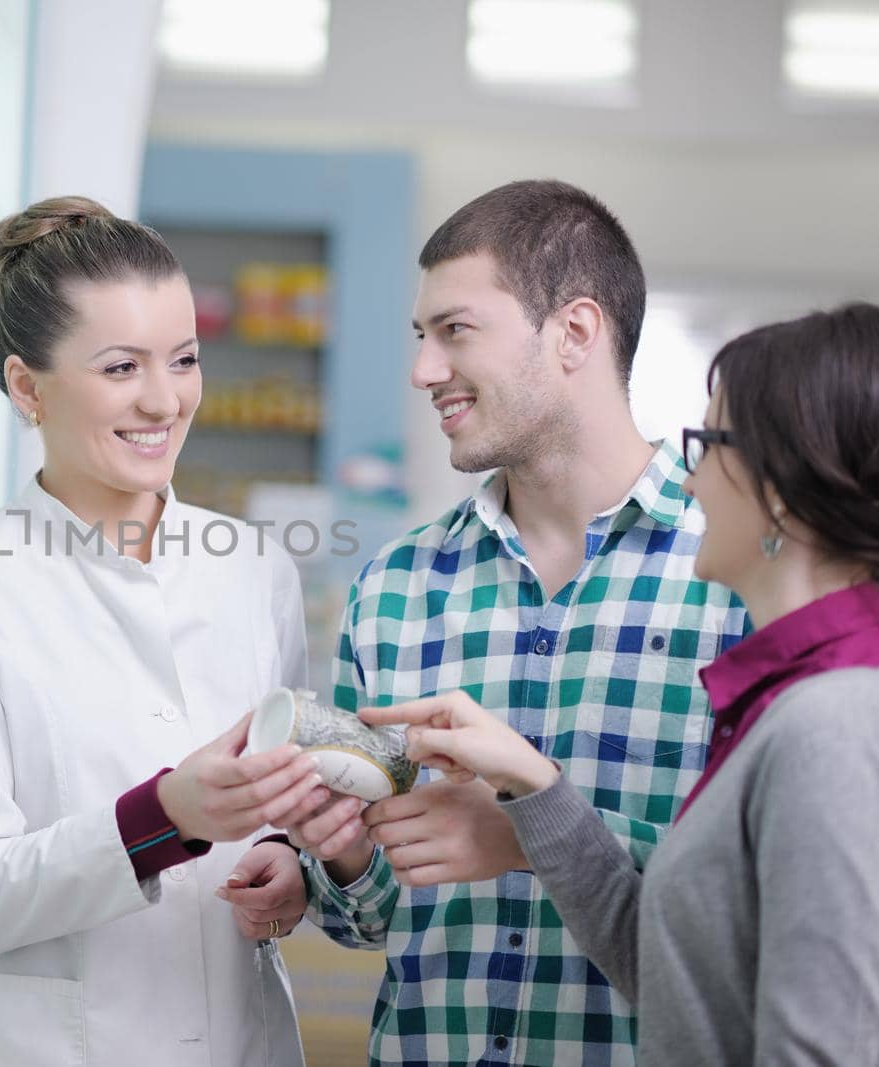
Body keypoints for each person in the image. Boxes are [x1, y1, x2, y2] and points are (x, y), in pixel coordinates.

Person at [375, 302, 879, 1065]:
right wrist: (535, 788)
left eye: (709, 443)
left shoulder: (833, 728)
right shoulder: (802, 702)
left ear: (781, 493)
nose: (690, 479)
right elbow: (677, 978)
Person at [276, 180, 747, 1064]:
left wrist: (533, 834)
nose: (422, 370)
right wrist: (334, 852)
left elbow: (769, 893)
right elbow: (366, 917)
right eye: (422, 337)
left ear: (574, 332)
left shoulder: (736, 574)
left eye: (455, 330)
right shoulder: (397, 587)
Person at [0, 197, 323, 1066]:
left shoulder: (255, 569)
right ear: (27, 386)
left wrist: (286, 862)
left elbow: (282, 801)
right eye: (122, 366)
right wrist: (161, 816)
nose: (164, 399)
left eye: (185, 359)